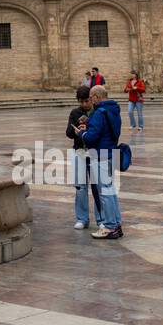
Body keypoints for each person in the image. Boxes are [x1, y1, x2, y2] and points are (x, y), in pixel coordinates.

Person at [76, 84, 123, 239]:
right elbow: (109, 132)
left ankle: (109, 226)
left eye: (91, 97)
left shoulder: (99, 112)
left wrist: (82, 133)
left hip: (101, 155)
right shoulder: (114, 110)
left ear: (96, 97)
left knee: (105, 193)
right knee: (111, 191)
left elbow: (91, 137)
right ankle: (116, 224)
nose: (90, 100)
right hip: (111, 153)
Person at [66, 85, 104, 230]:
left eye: (86, 101)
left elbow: (100, 132)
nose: (84, 104)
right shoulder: (75, 113)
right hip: (79, 151)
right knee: (81, 187)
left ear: (91, 99)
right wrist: (77, 124)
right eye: (81, 102)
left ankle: (101, 219)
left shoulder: (98, 112)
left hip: (95, 152)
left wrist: (88, 125)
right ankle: (82, 218)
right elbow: (69, 133)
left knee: (97, 186)